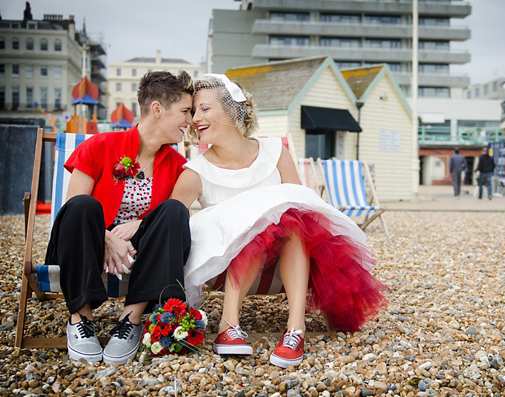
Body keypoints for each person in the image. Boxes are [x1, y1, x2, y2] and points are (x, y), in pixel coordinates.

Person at [171, 74, 388, 369]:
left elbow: (307, 204)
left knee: (293, 219)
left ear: (234, 110)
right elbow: (168, 223)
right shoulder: (194, 172)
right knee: (257, 223)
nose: (196, 118)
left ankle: (294, 329)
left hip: (279, 268)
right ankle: (228, 325)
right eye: (193, 111)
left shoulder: (275, 153)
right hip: (223, 266)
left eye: (205, 109)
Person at [45, 71, 193, 364]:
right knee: (83, 206)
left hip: (140, 247)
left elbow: (169, 222)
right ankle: (80, 319)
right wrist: (106, 237)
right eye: (185, 111)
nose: (189, 120)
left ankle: (131, 319)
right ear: (157, 109)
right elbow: (72, 207)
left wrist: (138, 225)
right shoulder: (100, 145)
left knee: (175, 211)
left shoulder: (178, 164)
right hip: (89, 240)